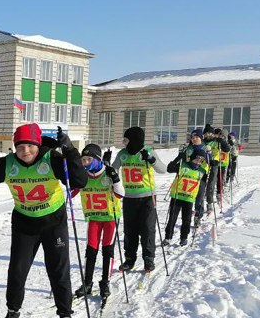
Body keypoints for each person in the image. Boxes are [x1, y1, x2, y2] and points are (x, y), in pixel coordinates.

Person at [0, 124, 87, 318]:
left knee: (58, 271)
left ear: (38, 145)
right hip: (24, 222)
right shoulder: (8, 164)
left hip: (53, 221)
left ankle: (65, 317)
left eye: (30, 146)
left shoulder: (51, 158)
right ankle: (13, 312)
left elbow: (80, 180)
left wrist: (70, 150)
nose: (26, 151)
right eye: (21, 147)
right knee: (17, 270)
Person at [111, 126, 167, 272]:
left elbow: (163, 169)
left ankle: (148, 258)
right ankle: (129, 259)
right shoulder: (123, 154)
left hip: (147, 197)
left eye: (126, 140)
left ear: (134, 140)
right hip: (129, 197)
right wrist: (110, 170)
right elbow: (114, 170)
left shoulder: (147, 152)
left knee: (147, 229)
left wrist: (151, 159)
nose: (124, 143)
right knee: (130, 230)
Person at [71, 144, 124, 301]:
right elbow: (70, 193)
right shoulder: (83, 176)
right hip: (93, 218)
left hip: (109, 218)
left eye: (89, 160)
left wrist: (115, 178)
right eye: (83, 160)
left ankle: (105, 282)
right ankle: (87, 283)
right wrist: (70, 177)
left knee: (107, 250)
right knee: (91, 250)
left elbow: (121, 194)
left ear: (97, 160)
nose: (85, 163)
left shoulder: (106, 174)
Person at [164, 146, 207, 246]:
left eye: (201, 161)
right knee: (172, 219)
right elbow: (169, 168)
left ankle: (184, 238)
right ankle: (167, 237)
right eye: (197, 159)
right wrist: (179, 157)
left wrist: (199, 199)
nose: (198, 162)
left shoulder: (202, 171)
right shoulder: (182, 165)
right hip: (177, 197)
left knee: (186, 220)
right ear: (192, 157)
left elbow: (202, 186)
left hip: (189, 199)